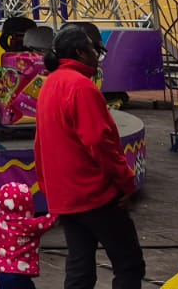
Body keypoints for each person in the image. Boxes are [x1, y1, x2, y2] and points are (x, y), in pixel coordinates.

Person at [34, 24, 144, 289]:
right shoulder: (81, 87)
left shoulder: (49, 85)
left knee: (80, 268)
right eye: (95, 50)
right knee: (129, 264)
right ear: (82, 53)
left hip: (66, 197)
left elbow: (39, 144)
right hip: (95, 195)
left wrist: (50, 190)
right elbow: (99, 142)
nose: (98, 55)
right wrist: (126, 183)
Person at [0, 180, 55, 289]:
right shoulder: (30, 225)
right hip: (21, 275)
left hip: (2, 273)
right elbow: (52, 218)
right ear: (28, 204)